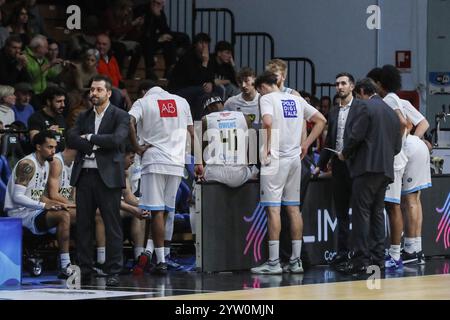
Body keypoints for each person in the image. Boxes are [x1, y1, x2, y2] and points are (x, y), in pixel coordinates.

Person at [250, 71, 326, 274]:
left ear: (263, 87)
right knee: (293, 209)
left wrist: (266, 146)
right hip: (294, 160)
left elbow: (266, 122)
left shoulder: (266, 99)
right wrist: (305, 145)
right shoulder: (296, 100)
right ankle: (295, 260)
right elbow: (321, 120)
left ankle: (273, 262)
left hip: (275, 159)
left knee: (273, 209)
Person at [67, 74, 130, 287]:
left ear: (109, 93)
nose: (93, 93)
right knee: (83, 225)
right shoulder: (83, 116)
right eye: (92, 90)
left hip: (108, 178)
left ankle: (113, 270)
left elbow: (117, 140)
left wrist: (91, 138)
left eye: (98, 90)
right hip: (84, 175)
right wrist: (95, 143)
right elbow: (71, 138)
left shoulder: (120, 115)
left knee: (112, 224)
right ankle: (84, 269)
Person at [128, 84, 194, 275]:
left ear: (144, 91)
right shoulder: (182, 102)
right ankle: (152, 250)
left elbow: (128, 121)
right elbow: (191, 132)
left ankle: (161, 261)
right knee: (166, 210)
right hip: (176, 162)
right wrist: (196, 160)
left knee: (156, 212)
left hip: (154, 160)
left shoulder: (143, 102)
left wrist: (136, 147)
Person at [339, 78, 401, 274]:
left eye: (358, 95)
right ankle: (378, 259)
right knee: (377, 213)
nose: (358, 99)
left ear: (363, 91)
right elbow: (397, 146)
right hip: (385, 170)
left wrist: (344, 153)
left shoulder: (365, 107)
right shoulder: (391, 112)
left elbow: (355, 136)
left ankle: (361, 261)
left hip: (366, 169)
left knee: (361, 214)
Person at [4, 130, 73, 278]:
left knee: (73, 213)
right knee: (64, 216)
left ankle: (86, 260)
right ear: (38, 147)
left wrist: (53, 203)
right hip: (19, 213)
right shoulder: (27, 164)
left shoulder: (46, 164)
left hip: (33, 210)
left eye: (55, 147)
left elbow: (37, 195)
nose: (53, 151)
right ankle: (65, 264)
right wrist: (44, 206)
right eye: (49, 147)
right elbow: (17, 197)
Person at [314, 72, 362, 270]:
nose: (339, 87)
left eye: (343, 83)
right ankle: (342, 254)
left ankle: (359, 255)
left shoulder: (360, 108)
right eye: (337, 84)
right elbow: (329, 141)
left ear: (352, 86)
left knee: (360, 213)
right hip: (339, 166)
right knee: (341, 213)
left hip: (358, 165)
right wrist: (319, 165)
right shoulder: (333, 112)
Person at [367, 65, 408, 270]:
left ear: (380, 83)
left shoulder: (390, 98)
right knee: (390, 206)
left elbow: (403, 122)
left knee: (392, 206)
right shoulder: (391, 98)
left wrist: (393, 146)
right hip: (393, 159)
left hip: (394, 159)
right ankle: (392, 252)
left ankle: (394, 253)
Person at [195, 96, 258, 188]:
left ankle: (193, 197)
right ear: (223, 104)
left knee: (198, 176)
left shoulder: (205, 119)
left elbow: (199, 150)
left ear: (208, 109)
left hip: (214, 174)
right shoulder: (244, 117)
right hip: (239, 175)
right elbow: (252, 146)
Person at [400, 100, 431, 265]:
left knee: (410, 200)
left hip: (411, 148)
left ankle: (411, 250)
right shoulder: (398, 101)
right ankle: (416, 249)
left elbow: (424, 124)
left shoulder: (395, 101)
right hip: (416, 147)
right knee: (414, 200)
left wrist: (411, 141)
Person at [168, 32, 223, 121]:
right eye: (201, 43)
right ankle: (198, 122)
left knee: (218, 89)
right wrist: (204, 63)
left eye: (206, 44)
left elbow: (210, 77)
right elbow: (195, 80)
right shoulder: (187, 58)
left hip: (197, 88)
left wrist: (210, 84)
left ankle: (217, 119)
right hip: (180, 89)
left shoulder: (209, 59)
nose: (204, 46)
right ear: (195, 45)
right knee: (203, 91)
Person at [27, 86, 66, 152]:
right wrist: (48, 133)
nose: (63, 105)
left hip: (60, 156)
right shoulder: (36, 117)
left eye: (63, 101)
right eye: (59, 101)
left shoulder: (61, 117)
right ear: (48, 102)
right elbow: (34, 140)